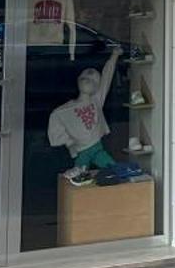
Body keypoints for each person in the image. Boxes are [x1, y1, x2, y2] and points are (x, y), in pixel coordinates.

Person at [47, 45, 122, 185]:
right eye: (85, 78)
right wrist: (69, 143)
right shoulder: (64, 110)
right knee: (79, 174)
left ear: (97, 87)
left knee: (113, 168)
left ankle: (121, 189)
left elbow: (106, 78)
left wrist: (114, 56)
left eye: (93, 81)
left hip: (97, 147)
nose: (89, 81)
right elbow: (56, 121)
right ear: (78, 81)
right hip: (82, 149)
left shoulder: (96, 100)